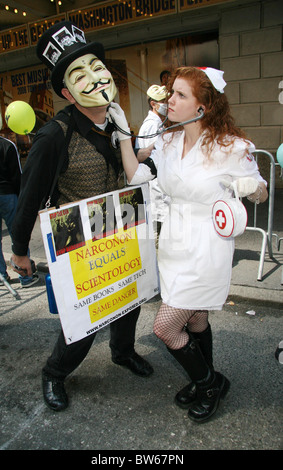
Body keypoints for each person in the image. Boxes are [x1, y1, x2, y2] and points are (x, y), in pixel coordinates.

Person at [108, 66, 268, 423]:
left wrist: (247, 187)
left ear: (202, 106)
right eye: (171, 93)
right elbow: (136, 175)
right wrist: (122, 134)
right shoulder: (167, 141)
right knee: (195, 319)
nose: (170, 101)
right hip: (175, 242)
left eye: (180, 95)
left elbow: (261, 189)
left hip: (208, 244)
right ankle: (203, 381)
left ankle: (210, 383)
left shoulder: (232, 147)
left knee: (164, 327)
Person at [10, 21, 153, 412]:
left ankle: (122, 352)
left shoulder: (119, 123)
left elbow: (136, 171)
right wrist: (20, 250)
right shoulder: (53, 135)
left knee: (129, 300)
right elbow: (28, 198)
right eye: (79, 74)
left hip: (123, 230)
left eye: (97, 67)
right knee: (84, 322)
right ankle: (55, 372)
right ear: (66, 93)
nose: (94, 78)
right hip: (78, 241)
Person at [0, 108, 39, 288]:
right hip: (7, 195)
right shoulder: (7, 145)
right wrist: (22, 200)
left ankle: (0, 277)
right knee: (17, 235)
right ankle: (25, 277)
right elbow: (17, 176)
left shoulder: (7, 145)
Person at [135, 85, 170, 234]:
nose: (166, 104)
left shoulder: (157, 123)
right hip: (155, 181)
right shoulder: (152, 125)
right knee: (160, 223)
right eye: (162, 101)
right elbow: (153, 155)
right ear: (153, 104)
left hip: (158, 180)